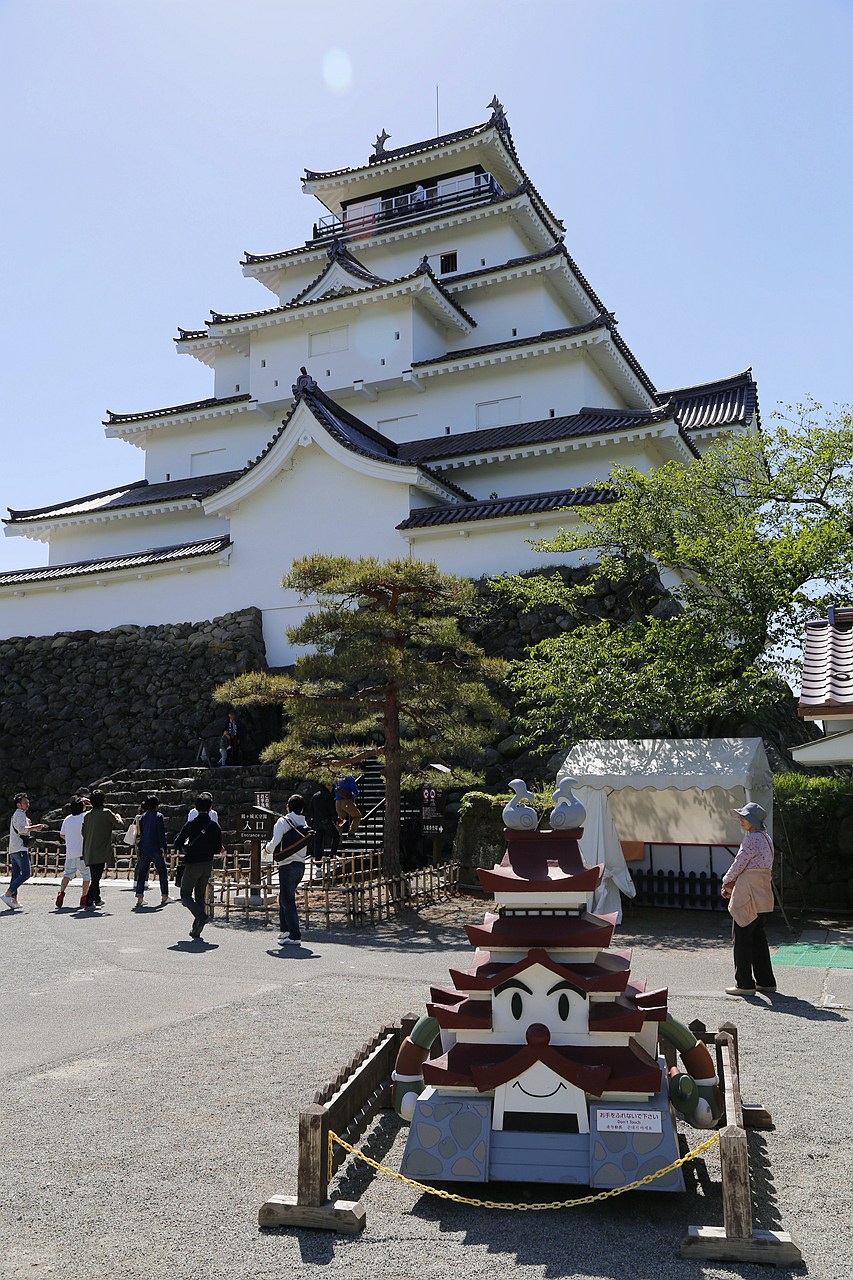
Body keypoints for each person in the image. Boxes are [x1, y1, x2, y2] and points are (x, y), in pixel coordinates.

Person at [721, 802, 777, 996]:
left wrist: (726, 880)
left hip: (749, 891)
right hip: (763, 891)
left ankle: (744, 984)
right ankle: (766, 981)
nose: (741, 820)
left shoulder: (752, 838)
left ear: (753, 820)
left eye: (744, 817)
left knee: (742, 937)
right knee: (758, 937)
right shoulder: (766, 837)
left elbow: (740, 863)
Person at [173, 795, 222, 940]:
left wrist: (186, 847)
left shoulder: (191, 824)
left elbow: (177, 843)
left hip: (193, 863)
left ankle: (201, 916)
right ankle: (196, 929)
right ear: (211, 808)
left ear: (195, 807)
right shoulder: (215, 827)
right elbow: (217, 849)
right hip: (207, 864)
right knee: (200, 895)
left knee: (185, 895)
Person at [267, 795, 312, 946]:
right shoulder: (304, 823)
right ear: (302, 809)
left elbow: (275, 841)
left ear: (287, 807)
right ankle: (285, 930)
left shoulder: (283, 822)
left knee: (288, 900)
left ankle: (294, 935)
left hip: (287, 865)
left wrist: (267, 849)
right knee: (284, 898)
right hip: (300, 865)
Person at [81, 790, 123, 909]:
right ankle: (89, 902)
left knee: (94, 875)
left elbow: (83, 832)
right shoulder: (106, 812)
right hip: (101, 849)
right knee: (96, 878)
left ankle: (97, 899)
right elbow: (120, 825)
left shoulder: (87, 815)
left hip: (89, 849)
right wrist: (118, 817)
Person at [3, 793, 45, 910]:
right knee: (26, 873)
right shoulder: (20, 814)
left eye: (28, 802)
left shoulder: (17, 814)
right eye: (25, 802)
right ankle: (8, 894)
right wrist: (35, 827)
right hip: (20, 848)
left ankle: (14, 899)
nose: (27, 804)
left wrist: (29, 825)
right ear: (18, 805)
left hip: (13, 848)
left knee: (16, 874)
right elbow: (22, 830)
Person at [134, 794, 170, 908]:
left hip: (144, 847)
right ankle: (164, 895)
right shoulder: (158, 816)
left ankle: (139, 897)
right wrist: (165, 849)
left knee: (142, 873)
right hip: (155, 848)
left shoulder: (142, 817)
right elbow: (161, 834)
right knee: (162, 872)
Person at [56, 797, 91, 909]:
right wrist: (89, 801)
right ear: (83, 807)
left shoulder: (67, 819)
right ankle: (84, 897)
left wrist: (70, 839)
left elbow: (62, 835)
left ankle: (61, 892)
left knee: (67, 874)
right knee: (86, 875)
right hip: (83, 853)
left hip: (70, 853)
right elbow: (97, 810)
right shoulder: (85, 816)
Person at [308, 782, 340, 868]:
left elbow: (311, 810)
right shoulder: (328, 796)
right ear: (326, 785)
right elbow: (332, 810)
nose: (332, 788)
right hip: (326, 821)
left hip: (316, 822)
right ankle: (332, 856)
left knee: (318, 842)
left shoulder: (315, 796)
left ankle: (318, 863)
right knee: (336, 836)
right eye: (330, 785)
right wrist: (337, 820)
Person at [334, 772, 361, 839]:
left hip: (337, 802)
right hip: (346, 801)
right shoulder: (349, 777)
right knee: (357, 816)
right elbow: (355, 790)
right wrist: (356, 793)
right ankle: (351, 833)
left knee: (341, 820)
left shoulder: (337, 777)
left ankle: (338, 840)